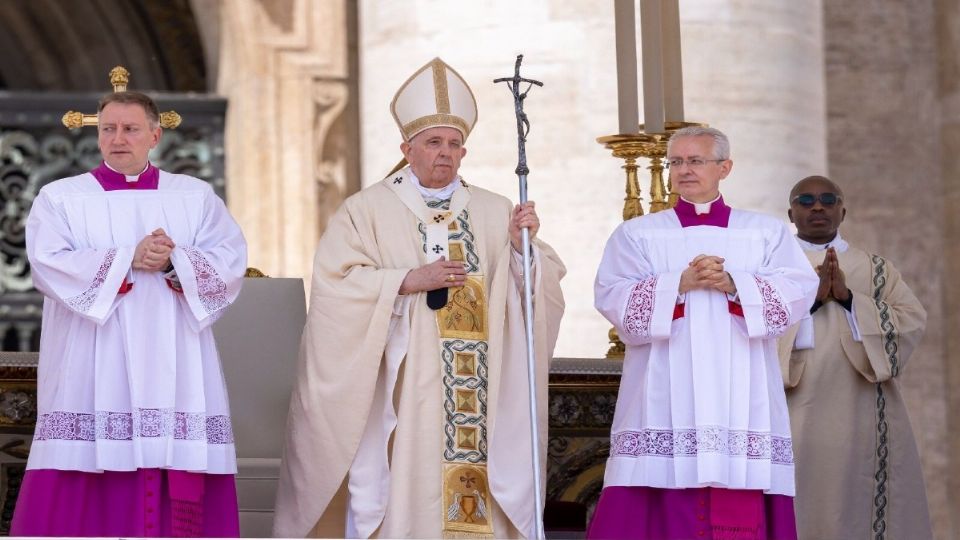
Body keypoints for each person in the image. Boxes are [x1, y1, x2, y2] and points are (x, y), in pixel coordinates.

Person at [273, 57, 565, 539]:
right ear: (407, 149)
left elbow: (538, 293)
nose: (444, 153)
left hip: (480, 389)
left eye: (454, 144)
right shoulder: (366, 210)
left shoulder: (496, 211)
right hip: (405, 387)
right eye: (433, 143)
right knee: (411, 484)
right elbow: (335, 286)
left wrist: (521, 251)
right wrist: (407, 280)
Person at [11, 91, 247, 537]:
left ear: (155, 135)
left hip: (175, 355)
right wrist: (128, 259)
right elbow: (46, 263)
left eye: (131, 128)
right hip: (92, 355)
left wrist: (177, 260)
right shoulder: (60, 197)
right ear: (97, 136)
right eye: (108, 129)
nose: (118, 138)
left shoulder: (194, 197)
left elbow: (230, 262)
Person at [589, 126, 818, 539]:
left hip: (743, 391)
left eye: (696, 161)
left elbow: (797, 293)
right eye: (676, 162)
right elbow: (612, 297)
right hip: (663, 389)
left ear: (724, 168)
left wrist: (735, 283)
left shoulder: (764, 233)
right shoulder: (638, 234)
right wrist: (678, 284)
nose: (684, 170)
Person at [778, 175, 931, 539]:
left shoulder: (878, 270)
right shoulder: (772, 268)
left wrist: (849, 300)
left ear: (843, 211)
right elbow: (749, 327)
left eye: (828, 199)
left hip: (862, 404)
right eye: (806, 200)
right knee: (796, 494)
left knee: (856, 500)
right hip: (791, 404)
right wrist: (812, 300)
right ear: (791, 212)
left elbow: (911, 320)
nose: (818, 206)